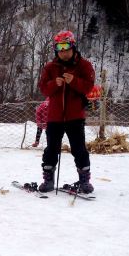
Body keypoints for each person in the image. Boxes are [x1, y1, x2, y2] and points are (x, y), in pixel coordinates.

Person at [35, 30, 96, 193]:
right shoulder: (50, 67)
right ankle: (48, 179)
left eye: (66, 47)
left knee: (79, 149)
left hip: (75, 116)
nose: (63, 51)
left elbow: (88, 87)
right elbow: (43, 89)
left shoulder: (84, 65)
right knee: (51, 149)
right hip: (54, 116)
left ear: (73, 46)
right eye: (59, 48)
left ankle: (84, 180)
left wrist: (74, 81)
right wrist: (55, 84)